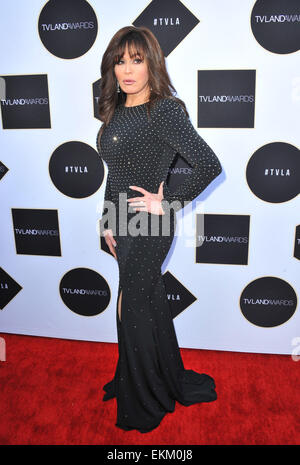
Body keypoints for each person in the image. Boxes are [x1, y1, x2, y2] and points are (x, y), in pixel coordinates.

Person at [96, 25, 222, 433]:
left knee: (130, 309)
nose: (128, 69)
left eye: (137, 60)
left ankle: (144, 396)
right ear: (112, 66)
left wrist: (166, 203)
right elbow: (114, 174)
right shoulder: (115, 110)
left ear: (152, 63)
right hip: (121, 221)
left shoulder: (164, 110)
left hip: (149, 226)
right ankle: (153, 376)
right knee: (141, 306)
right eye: (120, 60)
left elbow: (208, 164)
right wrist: (106, 219)